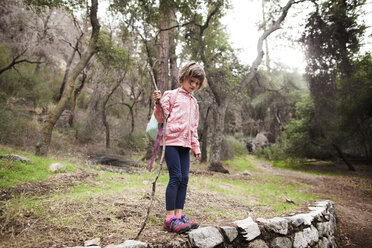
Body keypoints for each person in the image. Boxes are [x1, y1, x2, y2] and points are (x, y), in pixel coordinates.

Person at [152, 61, 207, 234]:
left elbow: (193, 128)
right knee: (175, 177)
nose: (193, 85)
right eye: (191, 81)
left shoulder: (194, 103)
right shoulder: (171, 95)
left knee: (184, 179)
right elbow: (161, 118)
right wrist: (158, 103)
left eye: (197, 83)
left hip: (185, 145)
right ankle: (170, 219)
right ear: (183, 78)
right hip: (171, 142)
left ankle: (179, 215)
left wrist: (195, 146)